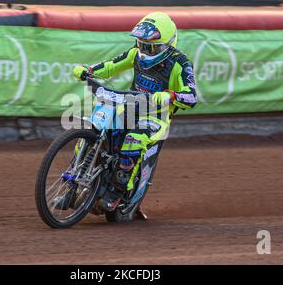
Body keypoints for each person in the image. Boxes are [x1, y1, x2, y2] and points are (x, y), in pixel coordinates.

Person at [72, 12, 198, 211]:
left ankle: (117, 190)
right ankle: (72, 185)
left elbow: (192, 96)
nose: (145, 51)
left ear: (168, 44)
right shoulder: (134, 53)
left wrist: (171, 96)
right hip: (131, 108)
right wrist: (89, 70)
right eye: (141, 44)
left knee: (133, 139)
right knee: (95, 130)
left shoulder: (180, 63)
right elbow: (111, 65)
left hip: (157, 117)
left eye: (151, 47)